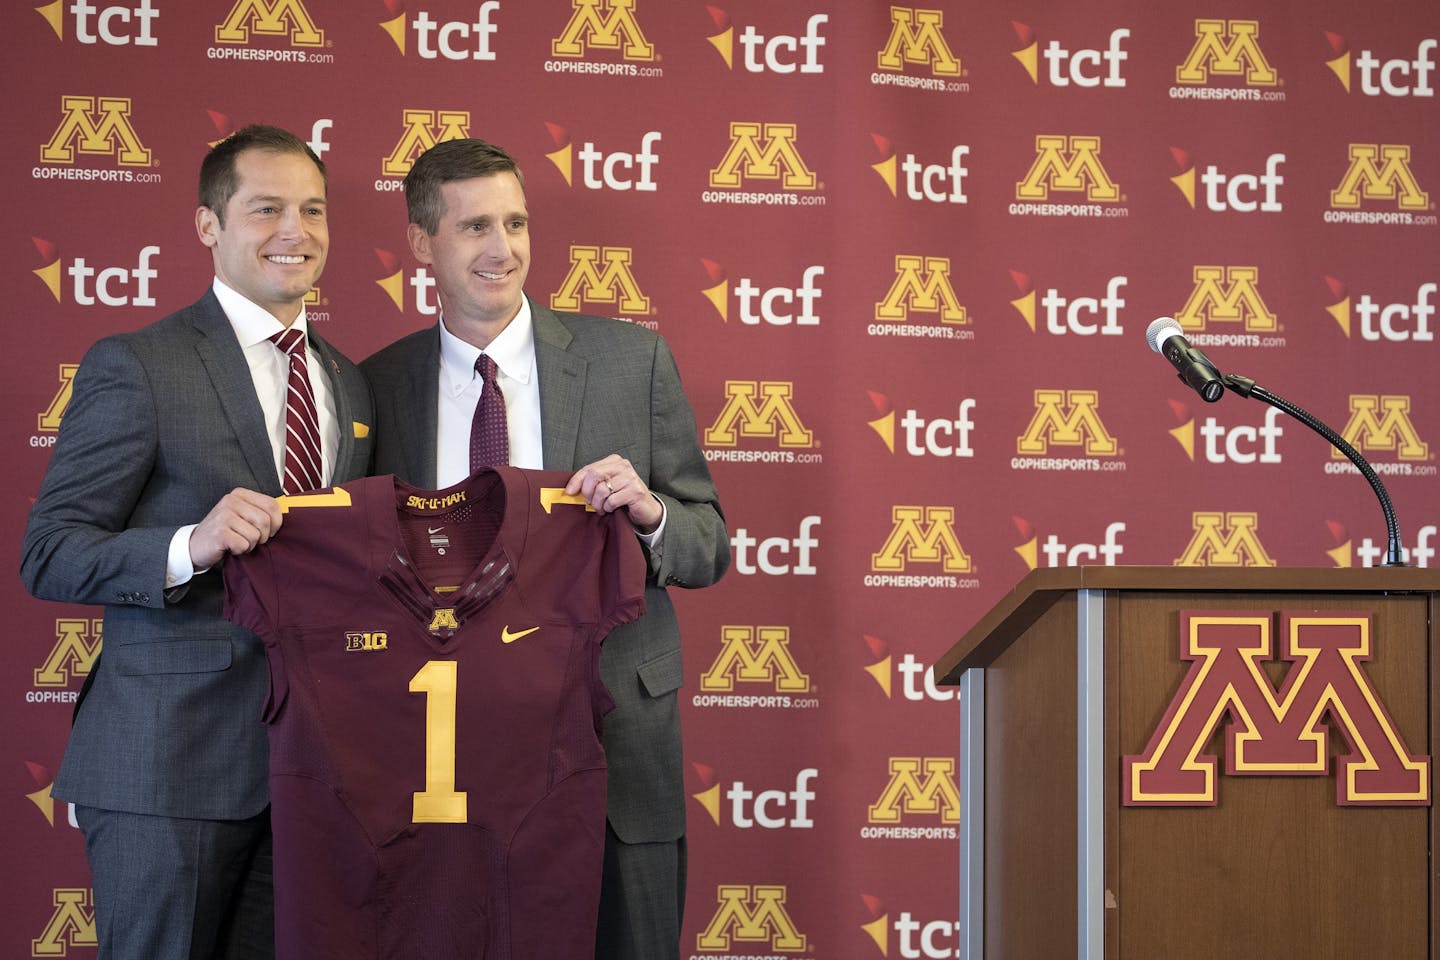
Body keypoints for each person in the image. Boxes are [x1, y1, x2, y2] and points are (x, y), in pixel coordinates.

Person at [361, 137, 729, 960]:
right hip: (443, 758)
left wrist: (649, 516)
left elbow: (707, 544)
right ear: (422, 243)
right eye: (476, 227)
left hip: (612, 744)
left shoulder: (632, 362)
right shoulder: (377, 385)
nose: (504, 249)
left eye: (517, 222)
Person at [20, 124, 374, 960]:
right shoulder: (137, 365)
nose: (297, 230)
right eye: (266, 209)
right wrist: (191, 543)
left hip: (304, 774)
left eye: (313, 209)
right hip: (165, 767)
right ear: (208, 226)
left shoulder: (348, 381)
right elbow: (50, 550)